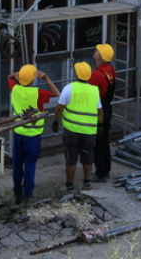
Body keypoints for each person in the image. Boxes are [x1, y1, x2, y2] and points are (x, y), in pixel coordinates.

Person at [8, 64, 60, 205]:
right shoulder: (37, 93)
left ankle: (17, 192)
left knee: (17, 164)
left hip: (18, 132)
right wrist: (46, 78)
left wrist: (17, 75)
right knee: (30, 165)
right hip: (33, 135)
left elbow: (9, 77)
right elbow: (56, 93)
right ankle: (28, 194)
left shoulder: (15, 88)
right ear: (32, 80)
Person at [53, 61, 103, 192]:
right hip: (89, 131)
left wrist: (55, 122)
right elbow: (100, 111)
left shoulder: (69, 88)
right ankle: (87, 182)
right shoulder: (94, 90)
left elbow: (59, 108)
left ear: (76, 74)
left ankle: (69, 185)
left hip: (72, 131)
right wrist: (100, 125)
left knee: (71, 158)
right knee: (88, 157)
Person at [88, 43, 117, 182]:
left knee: (97, 144)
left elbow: (91, 96)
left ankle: (100, 173)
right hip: (107, 109)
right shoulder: (111, 70)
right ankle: (106, 169)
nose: (95, 51)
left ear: (100, 56)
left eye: (97, 50)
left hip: (98, 111)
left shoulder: (96, 75)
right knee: (104, 141)